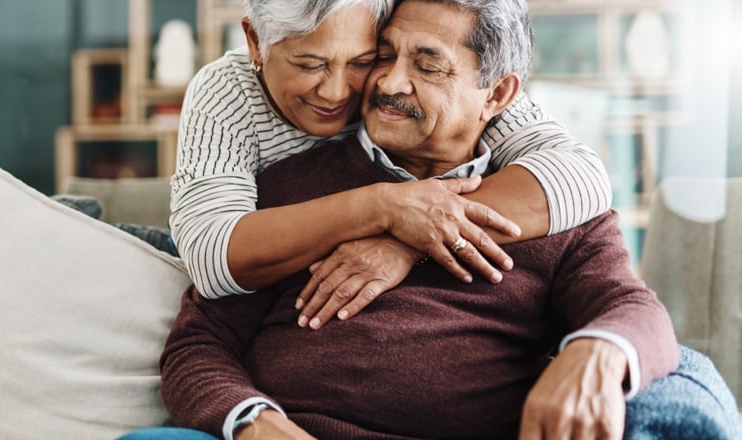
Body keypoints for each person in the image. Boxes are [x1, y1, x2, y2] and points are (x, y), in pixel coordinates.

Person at [152, 0, 685, 438]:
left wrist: (598, 351)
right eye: (383, 55)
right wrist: (253, 421)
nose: (388, 83)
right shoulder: (286, 187)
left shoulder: (554, 206)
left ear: (497, 95)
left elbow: (637, 310)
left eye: (427, 65)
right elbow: (200, 342)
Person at [170, 0, 612, 327]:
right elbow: (210, 260)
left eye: (363, 61)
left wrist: (409, 238)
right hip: (237, 255)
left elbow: (583, 175)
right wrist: (384, 208)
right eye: (309, 63)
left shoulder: (447, 90)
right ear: (255, 42)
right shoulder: (228, 93)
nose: (337, 93)